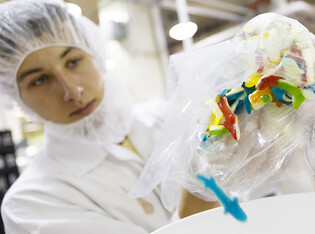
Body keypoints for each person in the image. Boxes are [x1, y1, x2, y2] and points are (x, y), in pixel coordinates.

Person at [0, 0, 217, 233]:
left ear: (94, 53)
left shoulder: (167, 117)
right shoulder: (31, 203)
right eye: (40, 80)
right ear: (16, 97)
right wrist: (203, 180)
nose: (72, 91)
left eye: (73, 61)